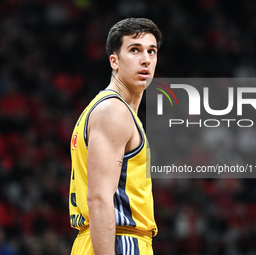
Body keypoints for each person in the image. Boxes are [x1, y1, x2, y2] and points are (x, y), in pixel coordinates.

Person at [69, 18, 163, 255]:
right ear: (114, 61)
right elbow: (100, 198)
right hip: (120, 241)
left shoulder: (106, 109)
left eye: (151, 52)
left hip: (97, 240)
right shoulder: (114, 111)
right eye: (134, 50)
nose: (145, 59)